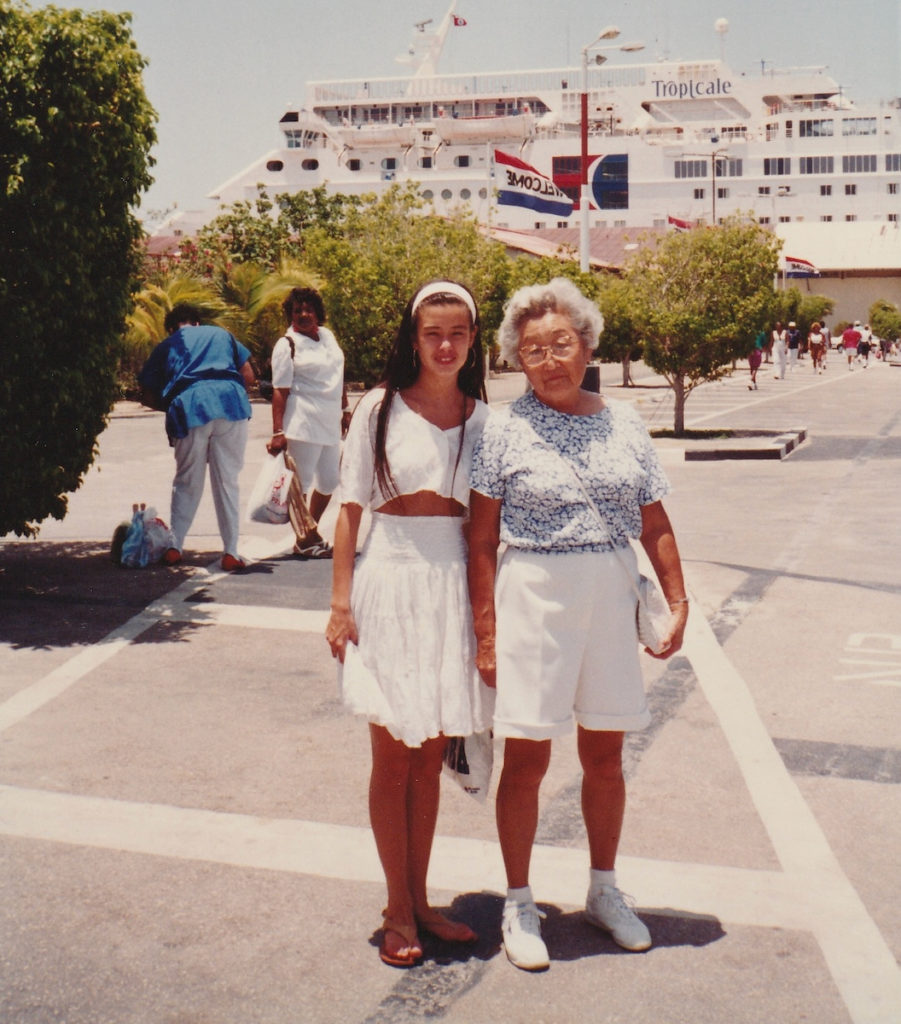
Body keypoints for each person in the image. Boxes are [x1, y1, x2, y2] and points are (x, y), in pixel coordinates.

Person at [468, 278, 688, 972]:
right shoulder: (499, 427)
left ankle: (602, 889)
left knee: (603, 755)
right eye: (532, 350)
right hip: (532, 591)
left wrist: (678, 601)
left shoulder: (624, 422)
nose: (549, 359)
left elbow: (652, 518)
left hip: (607, 588)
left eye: (560, 343)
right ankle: (518, 899)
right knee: (527, 756)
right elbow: (479, 539)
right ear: (516, 360)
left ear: (586, 343)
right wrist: (486, 631)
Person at [325, 280, 495, 968]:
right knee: (392, 754)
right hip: (389, 581)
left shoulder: (483, 418)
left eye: (457, 333)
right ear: (412, 337)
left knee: (428, 756)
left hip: (450, 586)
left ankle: (421, 901)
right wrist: (340, 602)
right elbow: (348, 508)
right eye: (432, 333)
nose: (445, 345)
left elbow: (487, 529)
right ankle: (396, 907)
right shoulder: (378, 407)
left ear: (473, 340)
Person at [139, 304, 254, 570]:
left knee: (187, 480)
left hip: (188, 406)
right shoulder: (222, 334)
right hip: (230, 403)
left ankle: (174, 547)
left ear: (171, 327)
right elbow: (248, 374)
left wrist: (171, 404)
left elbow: (146, 393)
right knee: (227, 481)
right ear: (197, 323)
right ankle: (231, 552)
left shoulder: (168, 344)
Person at [266, 287, 351, 558]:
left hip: (329, 422)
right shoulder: (286, 344)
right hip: (302, 424)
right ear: (290, 315)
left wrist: (345, 409)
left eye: (308, 309)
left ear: (317, 312)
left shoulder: (327, 336)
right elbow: (280, 390)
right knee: (300, 485)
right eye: (297, 311)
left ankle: (308, 531)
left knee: (329, 481)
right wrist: (278, 431)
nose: (304, 314)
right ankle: (305, 538)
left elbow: (338, 374)